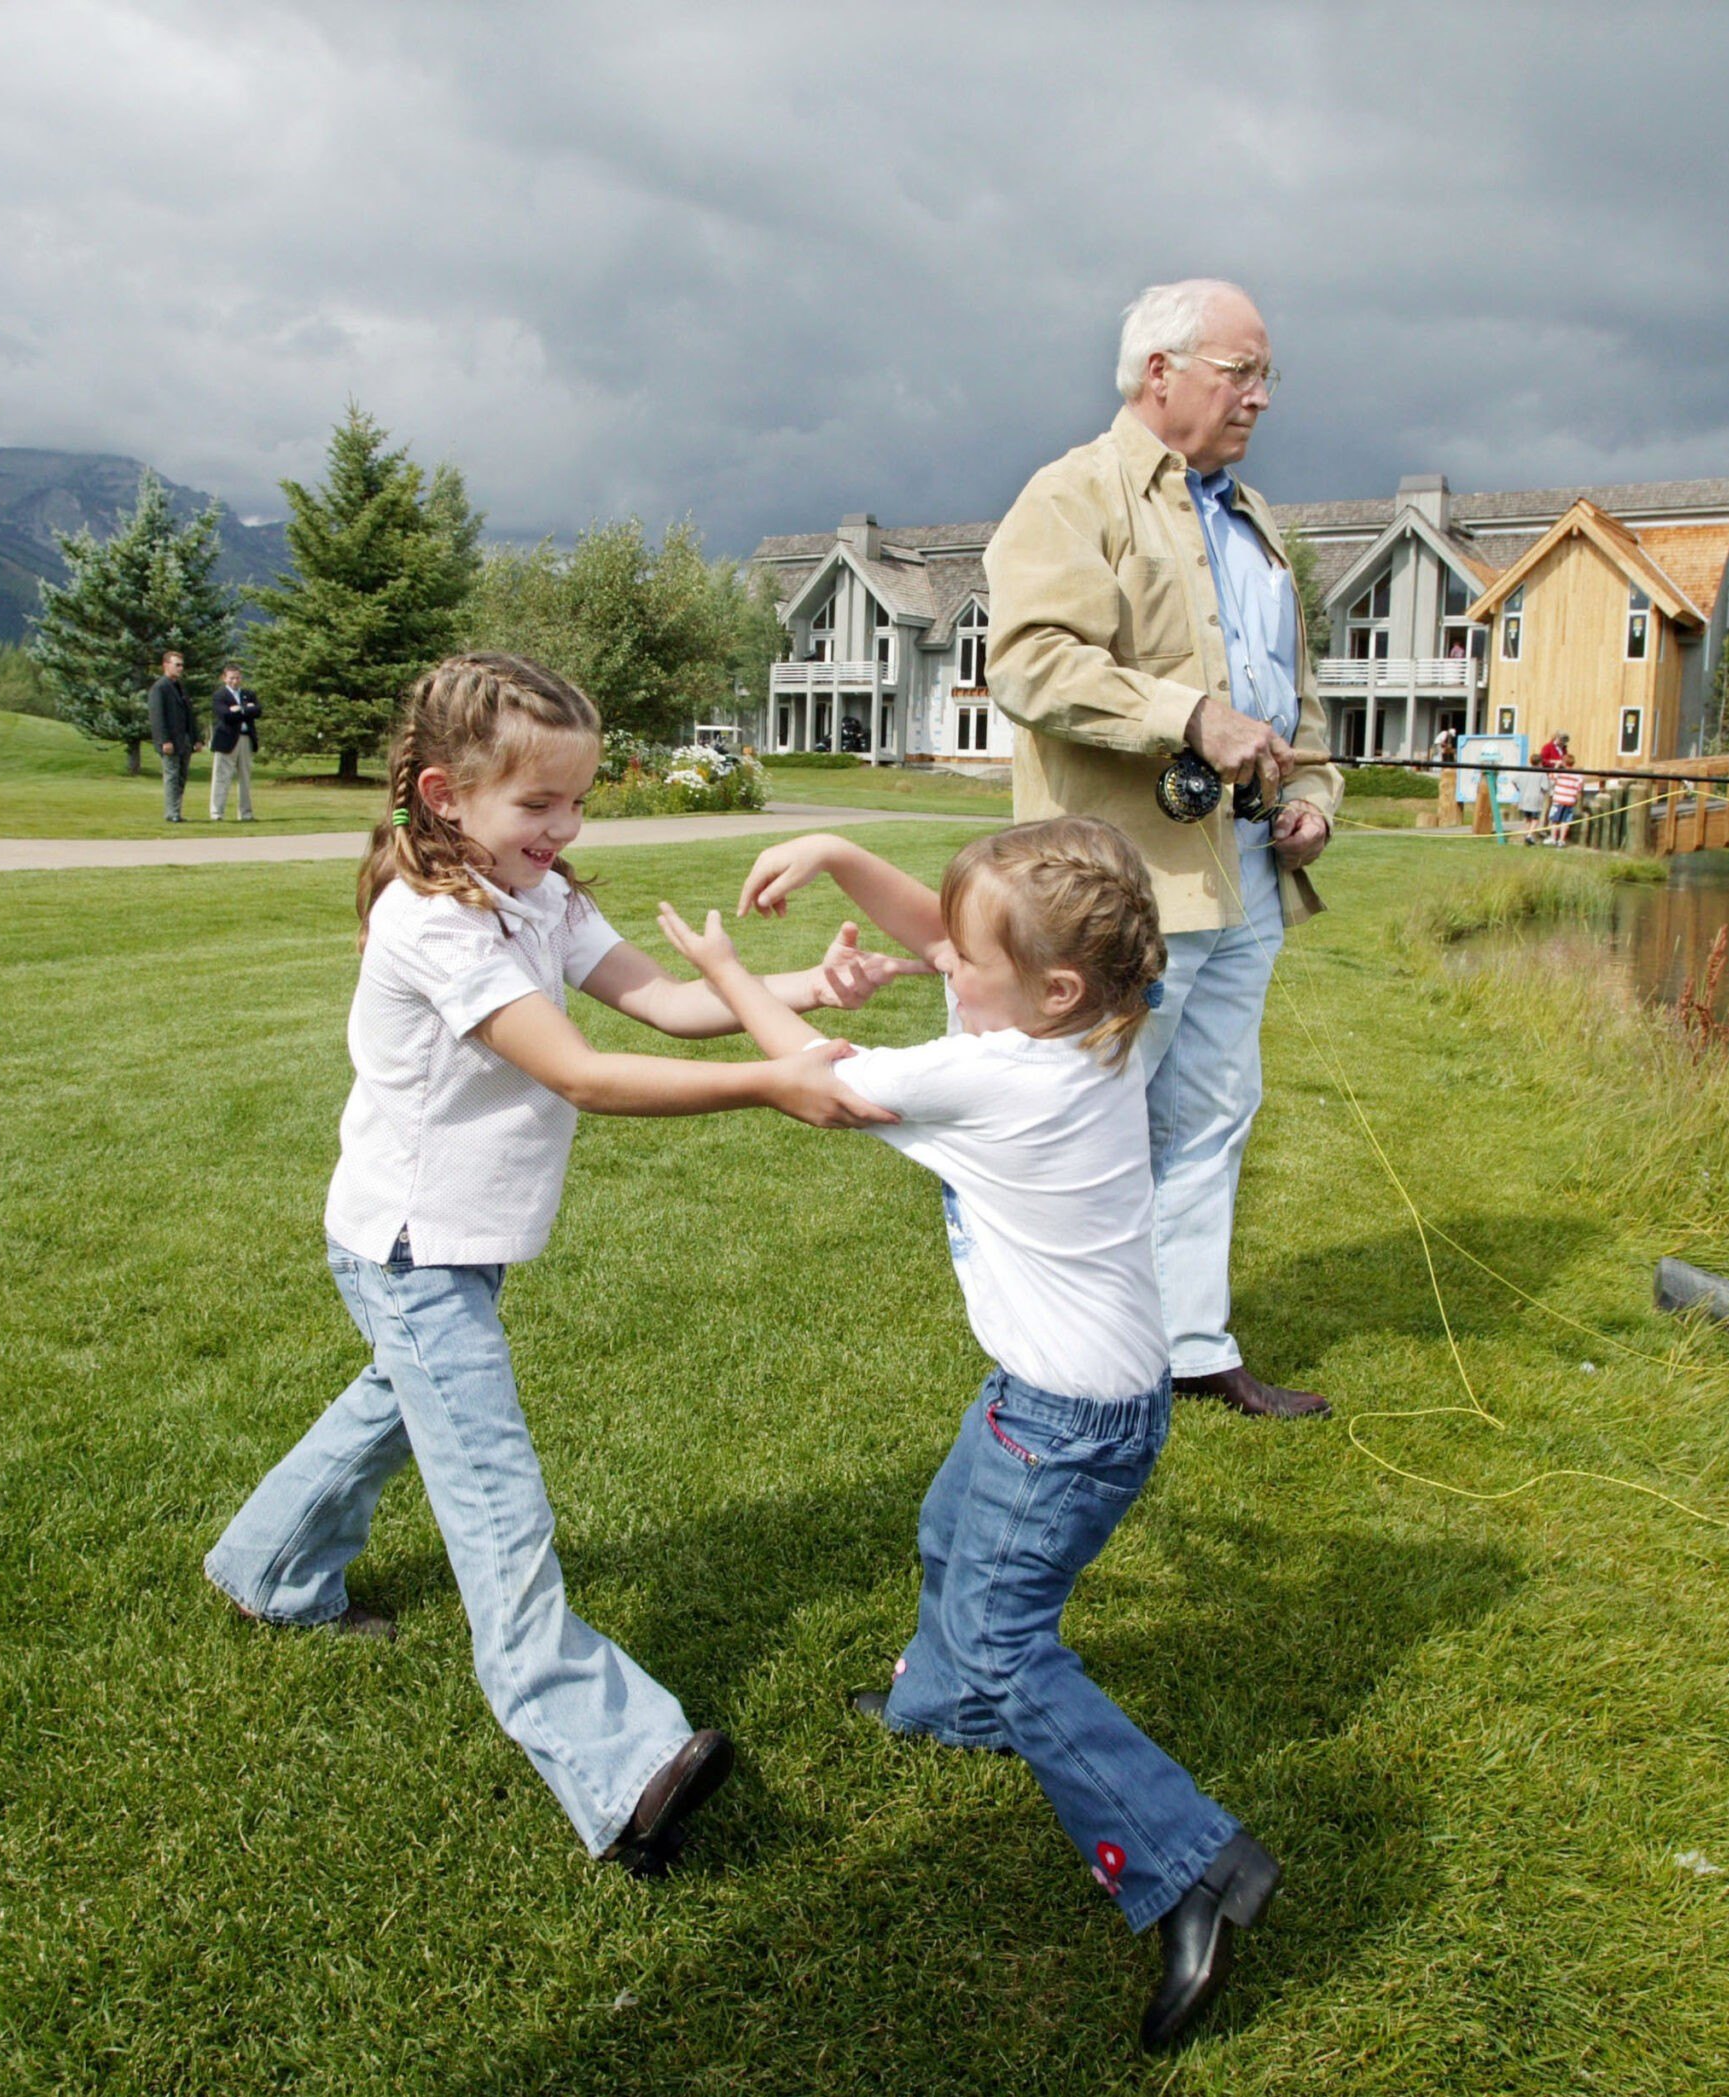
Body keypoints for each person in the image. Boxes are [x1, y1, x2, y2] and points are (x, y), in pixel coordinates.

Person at [203, 652, 918, 1873]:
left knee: (395, 1401)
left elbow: (658, 1004)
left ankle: (269, 1569)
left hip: (449, 1244)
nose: (565, 826)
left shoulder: (539, 893)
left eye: (578, 801)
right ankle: (617, 1760)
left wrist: (803, 985)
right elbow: (579, 1072)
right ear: (442, 794)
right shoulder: (432, 919)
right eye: (538, 805)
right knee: (493, 1496)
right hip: (411, 1246)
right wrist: (771, 1083)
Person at [659, 817, 1283, 2051]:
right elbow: (958, 937)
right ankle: (941, 1707)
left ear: (1048, 986)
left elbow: (822, 1085)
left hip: (1062, 1422)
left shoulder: (1008, 1074)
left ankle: (1190, 1864)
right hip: (1067, 1402)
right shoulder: (1101, 1021)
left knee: (1007, 1637)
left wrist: (730, 976)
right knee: (952, 1533)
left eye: (963, 961)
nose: (940, 963)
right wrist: (837, 851)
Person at [986, 278, 1344, 1420]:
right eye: (1242, 373)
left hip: (1243, 878)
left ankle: (1188, 1347)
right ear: (1160, 374)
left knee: (1213, 1113)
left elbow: (1296, 696)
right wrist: (1188, 717)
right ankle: (1069, 1359)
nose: (1260, 398)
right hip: (1122, 886)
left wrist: (1317, 798)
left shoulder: (1254, 518)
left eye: (1263, 376)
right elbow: (1031, 662)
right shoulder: (1071, 494)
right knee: (1098, 1118)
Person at [148, 650, 197, 822]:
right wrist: (164, 740)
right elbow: (157, 717)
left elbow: (189, 715)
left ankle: (176, 810)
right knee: (171, 776)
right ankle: (172, 813)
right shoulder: (160, 688)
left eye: (182, 665)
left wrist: (195, 738)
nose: (180, 668)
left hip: (183, 739)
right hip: (170, 741)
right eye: (177, 664)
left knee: (181, 776)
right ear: (166, 665)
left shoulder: (180, 687)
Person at [209, 663, 261, 821]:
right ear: (224, 678)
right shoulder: (220, 695)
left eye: (237, 677)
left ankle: (245, 813)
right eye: (231, 678)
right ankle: (217, 813)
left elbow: (258, 711)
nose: (235, 681)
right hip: (227, 740)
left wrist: (239, 709)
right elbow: (226, 716)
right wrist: (246, 710)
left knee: (245, 778)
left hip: (245, 738)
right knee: (222, 778)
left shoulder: (248, 694)